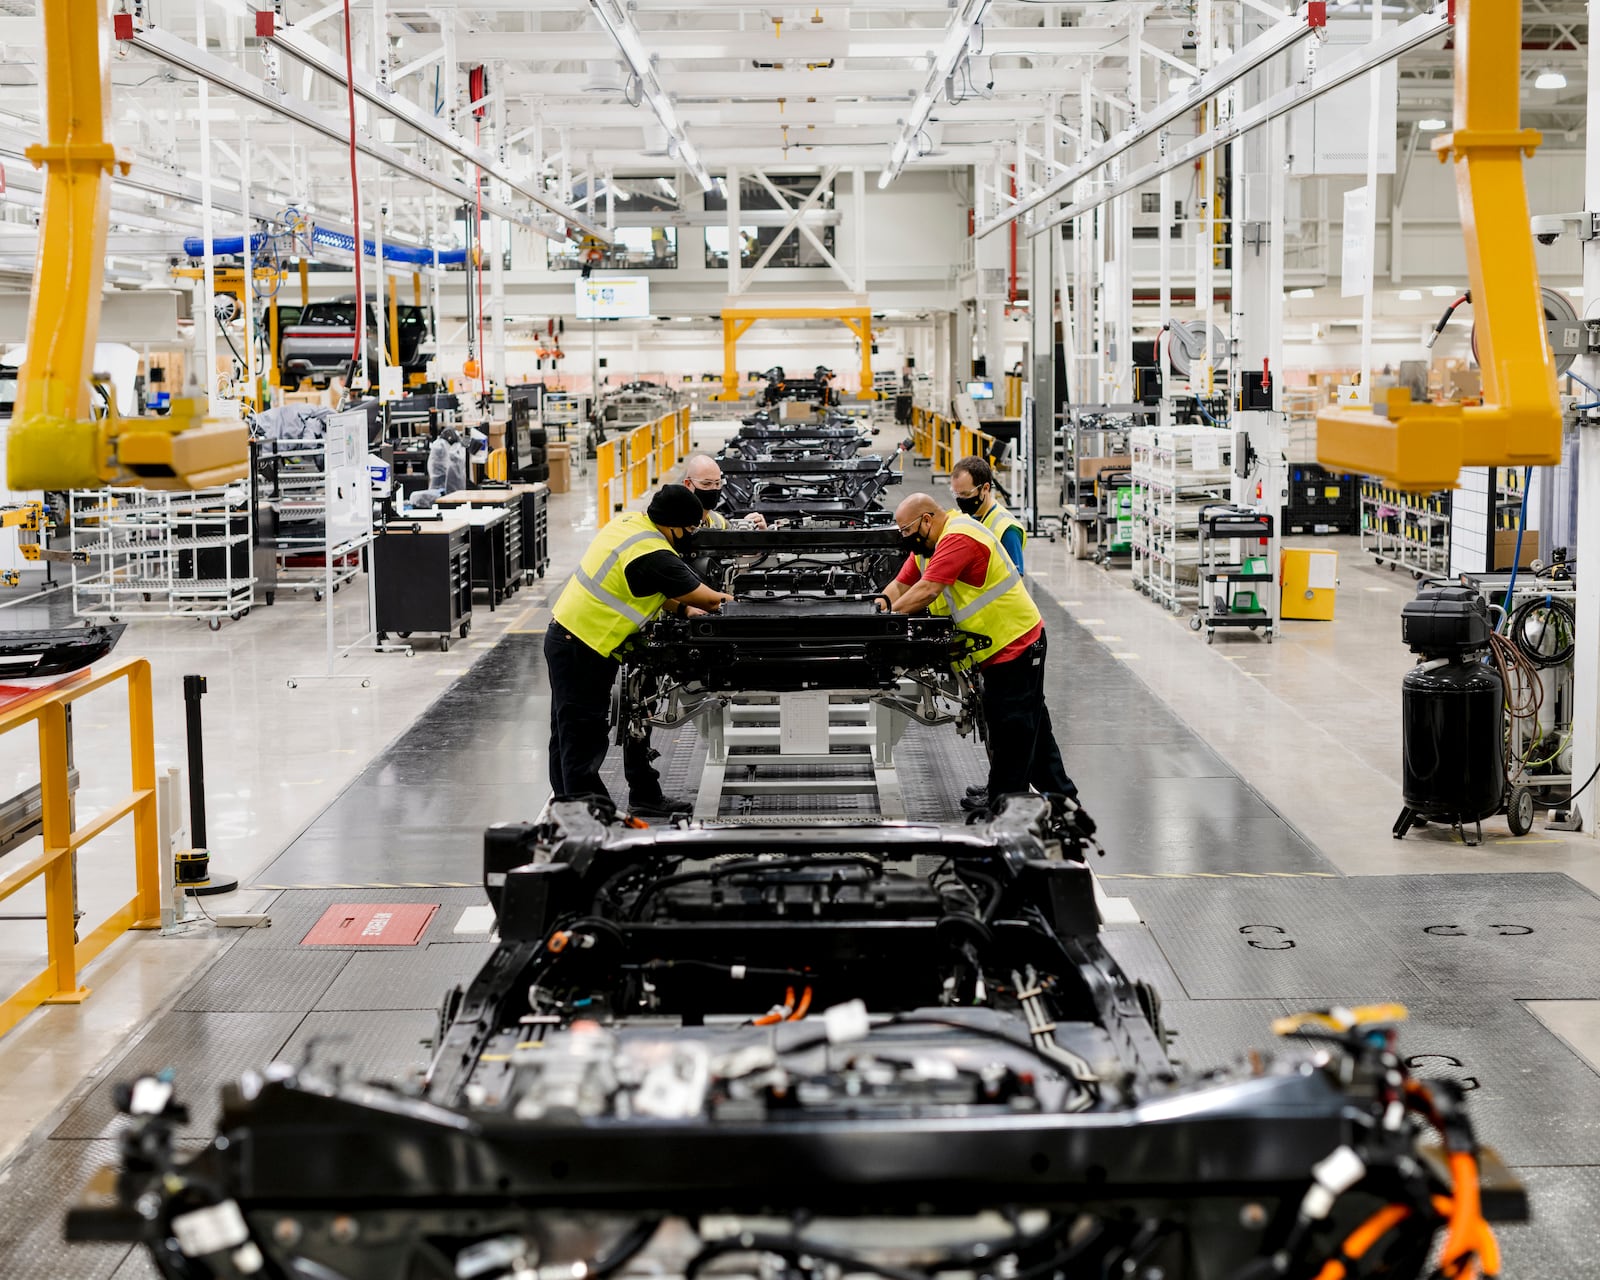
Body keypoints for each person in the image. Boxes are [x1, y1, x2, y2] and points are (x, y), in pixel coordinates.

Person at [878, 493, 1075, 814]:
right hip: (997, 651)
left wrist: (883, 626)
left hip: (1015, 647)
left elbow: (928, 590)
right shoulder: (928, 547)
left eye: (909, 533)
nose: (908, 543)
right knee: (1031, 734)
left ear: (927, 520)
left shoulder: (959, 537)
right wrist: (876, 609)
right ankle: (1066, 803)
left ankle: (1003, 819)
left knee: (1011, 738)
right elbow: (901, 585)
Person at [546, 484, 732, 817]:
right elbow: (709, 598)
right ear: (672, 524)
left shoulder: (632, 523)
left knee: (567, 733)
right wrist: (744, 604)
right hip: (583, 646)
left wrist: (682, 610)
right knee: (582, 737)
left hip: (574, 640)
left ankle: (570, 809)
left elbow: (651, 587)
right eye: (688, 530)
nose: (689, 536)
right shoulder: (652, 551)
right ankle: (586, 818)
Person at [950, 455, 1026, 573]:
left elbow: (1015, 580)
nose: (960, 500)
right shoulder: (961, 518)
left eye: (965, 494)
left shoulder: (1007, 529)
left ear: (985, 488)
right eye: (956, 494)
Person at [683, 453, 767, 529]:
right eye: (706, 483)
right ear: (688, 484)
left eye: (717, 483)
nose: (713, 488)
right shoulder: (676, 524)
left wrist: (749, 526)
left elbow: (733, 537)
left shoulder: (717, 521)